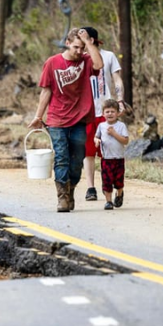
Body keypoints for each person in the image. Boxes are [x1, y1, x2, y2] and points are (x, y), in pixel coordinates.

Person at [28, 28, 104, 213]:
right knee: (61, 157)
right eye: (76, 47)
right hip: (57, 119)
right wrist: (39, 116)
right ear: (68, 43)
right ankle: (62, 197)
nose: (79, 51)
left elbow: (99, 64)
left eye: (82, 48)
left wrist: (88, 43)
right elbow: (46, 91)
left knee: (77, 159)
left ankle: (70, 190)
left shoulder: (86, 61)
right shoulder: (52, 63)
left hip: (80, 118)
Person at [79, 26, 125, 202]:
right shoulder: (80, 58)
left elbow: (117, 79)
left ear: (91, 40)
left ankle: (112, 185)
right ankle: (91, 187)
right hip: (87, 111)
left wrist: (120, 100)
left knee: (109, 151)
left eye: (84, 39)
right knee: (88, 151)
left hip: (106, 110)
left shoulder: (108, 56)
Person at [93, 99, 130, 210]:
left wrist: (114, 133)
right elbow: (96, 136)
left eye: (112, 111)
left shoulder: (121, 126)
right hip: (106, 159)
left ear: (118, 113)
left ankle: (119, 194)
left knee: (119, 181)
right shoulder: (101, 126)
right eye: (107, 112)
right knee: (107, 181)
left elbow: (125, 141)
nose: (110, 114)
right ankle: (108, 201)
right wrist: (96, 141)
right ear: (103, 113)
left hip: (118, 159)